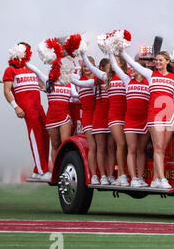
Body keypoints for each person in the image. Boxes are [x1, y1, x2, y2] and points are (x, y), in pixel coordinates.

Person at [121, 50, 174, 189]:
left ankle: (155, 179)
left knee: (163, 149)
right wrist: (122, 51)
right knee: (158, 148)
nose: (158, 62)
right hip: (155, 116)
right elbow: (132, 64)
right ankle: (162, 179)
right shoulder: (150, 74)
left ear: (167, 61)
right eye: (156, 60)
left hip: (169, 115)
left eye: (161, 60)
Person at [3, 42, 50, 181]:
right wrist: (16, 107)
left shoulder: (31, 70)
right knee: (35, 137)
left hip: (39, 107)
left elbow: (43, 86)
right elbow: (6, 91)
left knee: (46, 136)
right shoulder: (10, 70)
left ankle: (39, 168)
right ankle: (42, 171)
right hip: (27, 109)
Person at [82, 52, 128, 186]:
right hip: (102, 117)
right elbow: (91, 68)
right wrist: (83, 53)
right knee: (100, 147)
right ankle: (101, 175)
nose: (112, 66)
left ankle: (110, 175)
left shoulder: (126, 77)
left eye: (115, 63)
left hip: (117, 115)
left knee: (111, 147)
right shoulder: (103, 78)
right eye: (110, 65)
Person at [109, 53, 150, 188]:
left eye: (134, 68)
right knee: (131, 149)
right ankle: (133, 178)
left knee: (141, 150)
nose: (131, 70)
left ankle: (140, 177)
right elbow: (115, 65)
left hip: (144, 120)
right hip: (131, 120)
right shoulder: (127, 80)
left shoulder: (149, 81)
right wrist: (112, 51)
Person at [26, 61, 77, 162]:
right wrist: (24, 60)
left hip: (64, 117)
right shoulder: (48, 81)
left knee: (65, 144)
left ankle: (64, 165)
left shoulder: (70, 84)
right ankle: (55, 170)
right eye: (57, 69)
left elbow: (76, 96)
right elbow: (36, 70)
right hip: (51, 118)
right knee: (55, 145)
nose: (60, 71)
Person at [70, 56, 99, 185]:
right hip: (87, 116)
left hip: (99, 116)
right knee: (92, 146)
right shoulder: (79, 81)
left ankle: (104, 174)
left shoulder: (97, 80)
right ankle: (93, 175)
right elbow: (75, 94)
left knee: (103, 147)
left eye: (89, 66)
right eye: (85, 67)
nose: (87, 69)